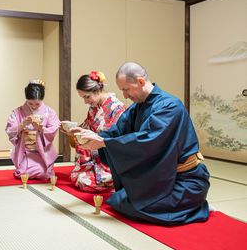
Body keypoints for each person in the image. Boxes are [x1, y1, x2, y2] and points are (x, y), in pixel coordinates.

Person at [79, 62, 210, 225]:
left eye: (126, 89)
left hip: (183, 180)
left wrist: (105, 142)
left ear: (140, 81)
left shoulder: (170, 106)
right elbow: (118, 131)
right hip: (160, 178)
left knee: (136, 207)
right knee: (119, 200)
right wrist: (94, 137)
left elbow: (149, 140)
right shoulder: (136, 108)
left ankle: (194, 205)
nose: (125, 96)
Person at [66, 71, 125, 192]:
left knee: (83, 181)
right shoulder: (94, 107)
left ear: (97, 91)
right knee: (76, 177)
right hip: (95, 157)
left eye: (87, 97)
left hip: (109, 158)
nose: (85, 102)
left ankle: (115, 180)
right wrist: (76, 130)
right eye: (83, 98)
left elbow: (116, 138)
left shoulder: (117, 107)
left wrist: (93, 138)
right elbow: (88, 127)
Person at [5, 80, 60, 180]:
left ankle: (45, 167)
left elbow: (53, 129)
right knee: (22, 174)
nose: (34, 106)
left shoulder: (49, 112)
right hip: (25, 152)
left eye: (37, 104)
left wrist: (40, 128)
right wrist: (22, 124)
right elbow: (10, 130)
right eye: (30, 104)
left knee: (44, 174)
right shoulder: (18, 112)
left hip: (43, 152)